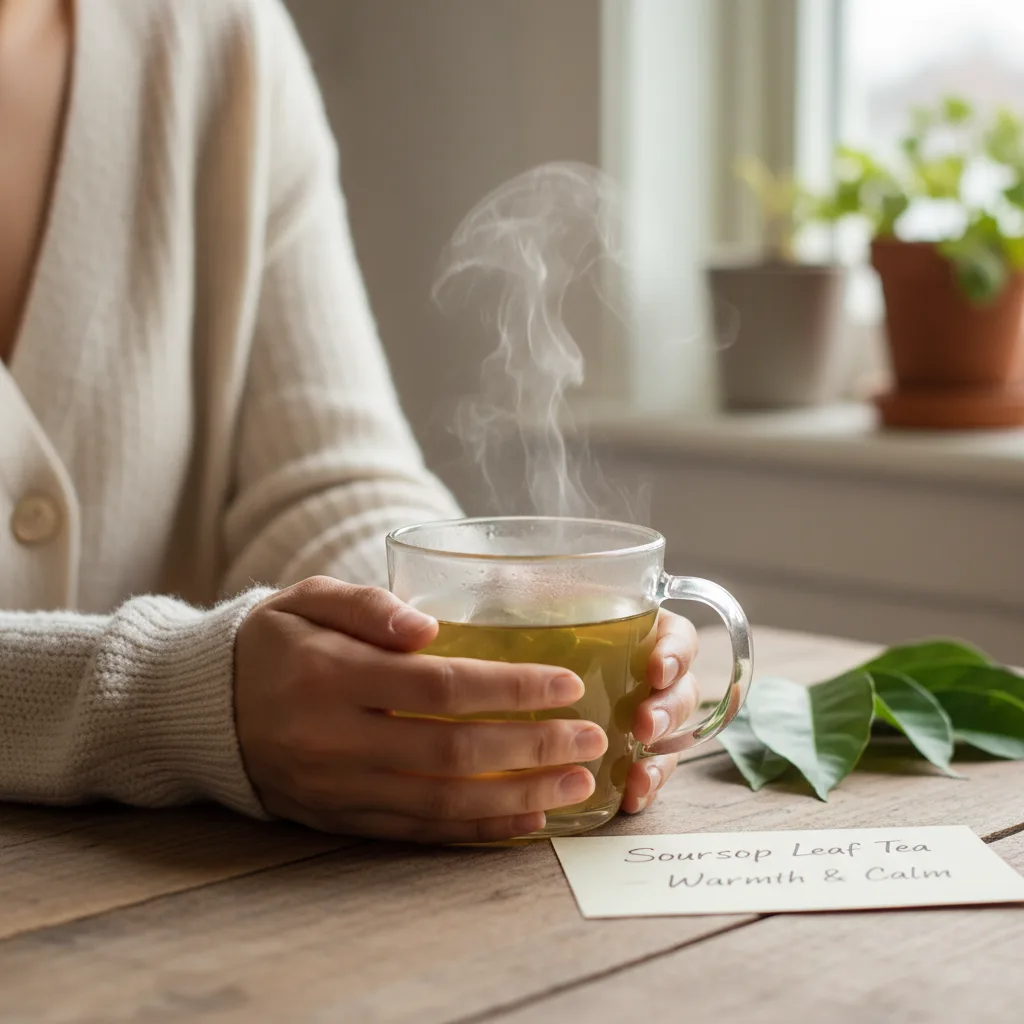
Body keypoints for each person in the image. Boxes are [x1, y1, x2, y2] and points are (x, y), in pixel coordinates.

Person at [0, 0, 699, 844]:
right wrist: (181, 697)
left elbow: (327, 482)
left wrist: (441, 634)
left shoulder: (219, 34)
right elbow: (192, 689)